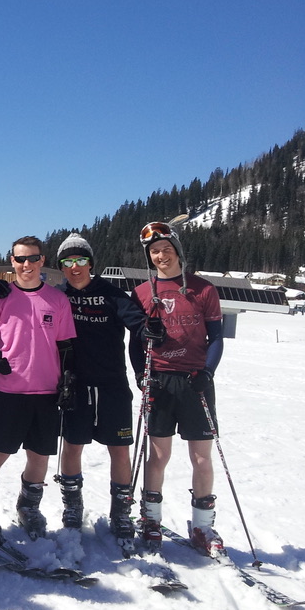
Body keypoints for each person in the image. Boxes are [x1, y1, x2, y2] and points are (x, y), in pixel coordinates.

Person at [0, 235, 77, 540]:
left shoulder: (57, 300)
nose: (26, 264)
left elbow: (66, 345)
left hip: (46, 390)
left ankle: (29, 506)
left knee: (40, 454)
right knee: (0, 449)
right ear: (12, 262)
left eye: (32, 258)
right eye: (20, 259)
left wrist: (68, 379)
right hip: (8, 389)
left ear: (42, 260)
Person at [52, 232, 156, 548]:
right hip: (75, 385)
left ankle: (121, 513)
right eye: (68, 261)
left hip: (112, 385)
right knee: (72, 446)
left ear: (91, 263)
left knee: (119, 449)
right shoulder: (57, 296)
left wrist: (153, 328)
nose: (75, 266)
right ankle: (72, 507)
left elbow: (140, 328)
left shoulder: (112, 295)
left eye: (81, 259)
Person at [130, 221, 224, 554]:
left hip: (195, 381)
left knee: (201, 457)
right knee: (158, 455)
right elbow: (134, 343)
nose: (161, 256)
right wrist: (141, 376)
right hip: (160, 379)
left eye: (166, 250)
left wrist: (207, 372)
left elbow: (216, 337)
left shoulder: (203, 290)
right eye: (154, 252)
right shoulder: (142, 293)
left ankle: (203, 526)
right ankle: (151, 519)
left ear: (178, 252)